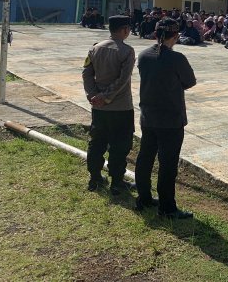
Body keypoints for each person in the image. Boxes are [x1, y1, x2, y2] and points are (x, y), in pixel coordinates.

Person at [135, 17, 197, 219]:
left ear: (155, 34)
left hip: (148, 116)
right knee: (167, 164)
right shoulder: (177, 59)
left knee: (145, 157)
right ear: (176, 36)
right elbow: (189, 82)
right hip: (170, 120)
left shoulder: (144, 56)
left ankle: (143, 197)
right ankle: (167, 207)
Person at [82, 15, 136, 194]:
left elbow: (87, 74)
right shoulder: (127, 51)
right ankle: (117, 182)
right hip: (120, 107)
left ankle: (95, 178)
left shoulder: (95, 48)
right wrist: (106, 97)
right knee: (120, 145)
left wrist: (93, 95)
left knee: (97, 142)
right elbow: (123, 80)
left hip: (98, 107)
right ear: (125, 30)